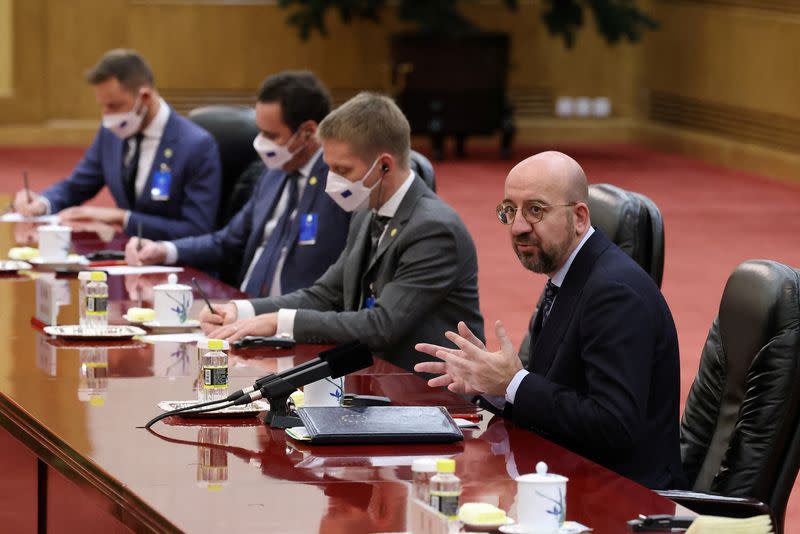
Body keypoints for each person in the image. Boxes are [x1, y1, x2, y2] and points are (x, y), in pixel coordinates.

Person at [415, 151, 684, 489]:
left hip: (621, 497)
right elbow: (559, 390)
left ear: (580, 218)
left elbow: (614, 425)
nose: (518, 227)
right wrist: (494, 386)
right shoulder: (571, 274)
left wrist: (513, 383)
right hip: (567, 473)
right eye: (509, 211)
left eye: (535, 210)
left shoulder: (614, 293)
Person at [200, 92, 484, 371]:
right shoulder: (366, 213)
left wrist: (280, 322)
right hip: (373, 380)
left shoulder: (433, 229)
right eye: (329, 169)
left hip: (431, 396)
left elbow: (382, 325)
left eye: (343, 170)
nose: (332, 182)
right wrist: (242, 310)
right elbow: (325, 295)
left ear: (384, 165)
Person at [125, 71, 350, 297]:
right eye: (259, 131)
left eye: (271, 135)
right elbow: (226, 242)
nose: (261, 143)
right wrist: (164, 250)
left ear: (308, 133)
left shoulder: (341, 183)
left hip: (295, 321)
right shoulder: (272, 174)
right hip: (242, 309)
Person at [13, 49, 221, 240]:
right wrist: (42, 203)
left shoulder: (196, 146)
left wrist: (123, 218)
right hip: (126, 257)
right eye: (102, 106)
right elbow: (77, 185)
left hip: (179, 267)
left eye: (113, 106)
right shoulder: (111, 133)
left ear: (145, 97)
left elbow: (197, 230)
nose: (107, 115)